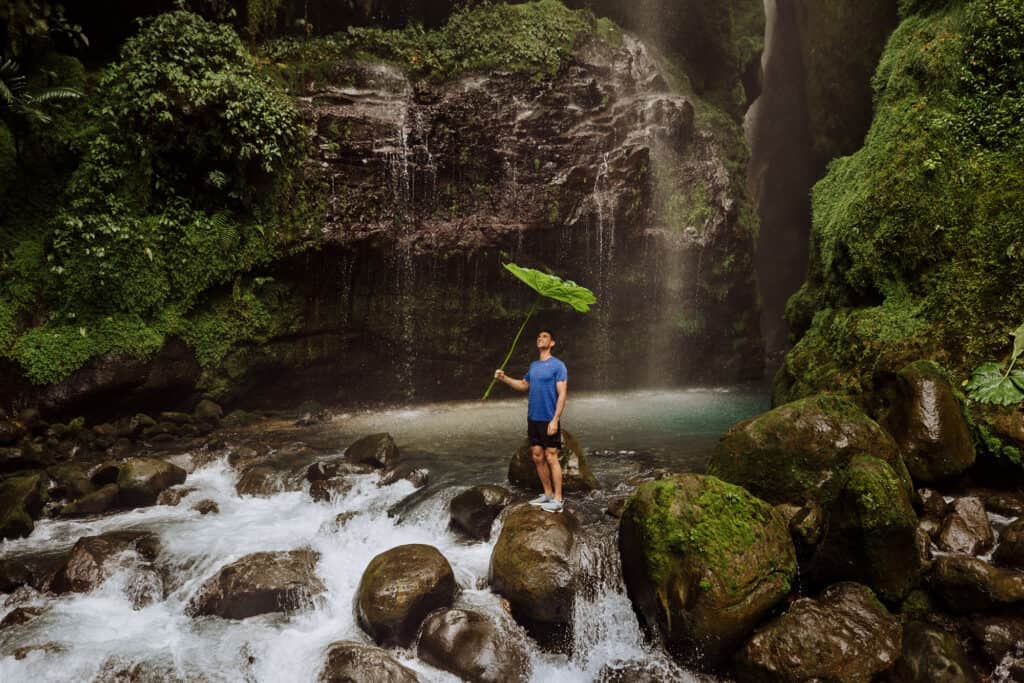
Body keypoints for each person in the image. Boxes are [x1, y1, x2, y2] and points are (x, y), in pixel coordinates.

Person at [493, 329, 568, 513]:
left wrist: (555, 420)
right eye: (538, 336)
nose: (540, 338)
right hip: (533, 418)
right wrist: (504, 378)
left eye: (544, 336)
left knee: (551, 457)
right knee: (537, 456)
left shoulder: (558, 366)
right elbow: (523, 385)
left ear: (552, 343)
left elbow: (562, 393)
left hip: (548, 418)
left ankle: (558, 499)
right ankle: (547, 494)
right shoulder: (534, 366)